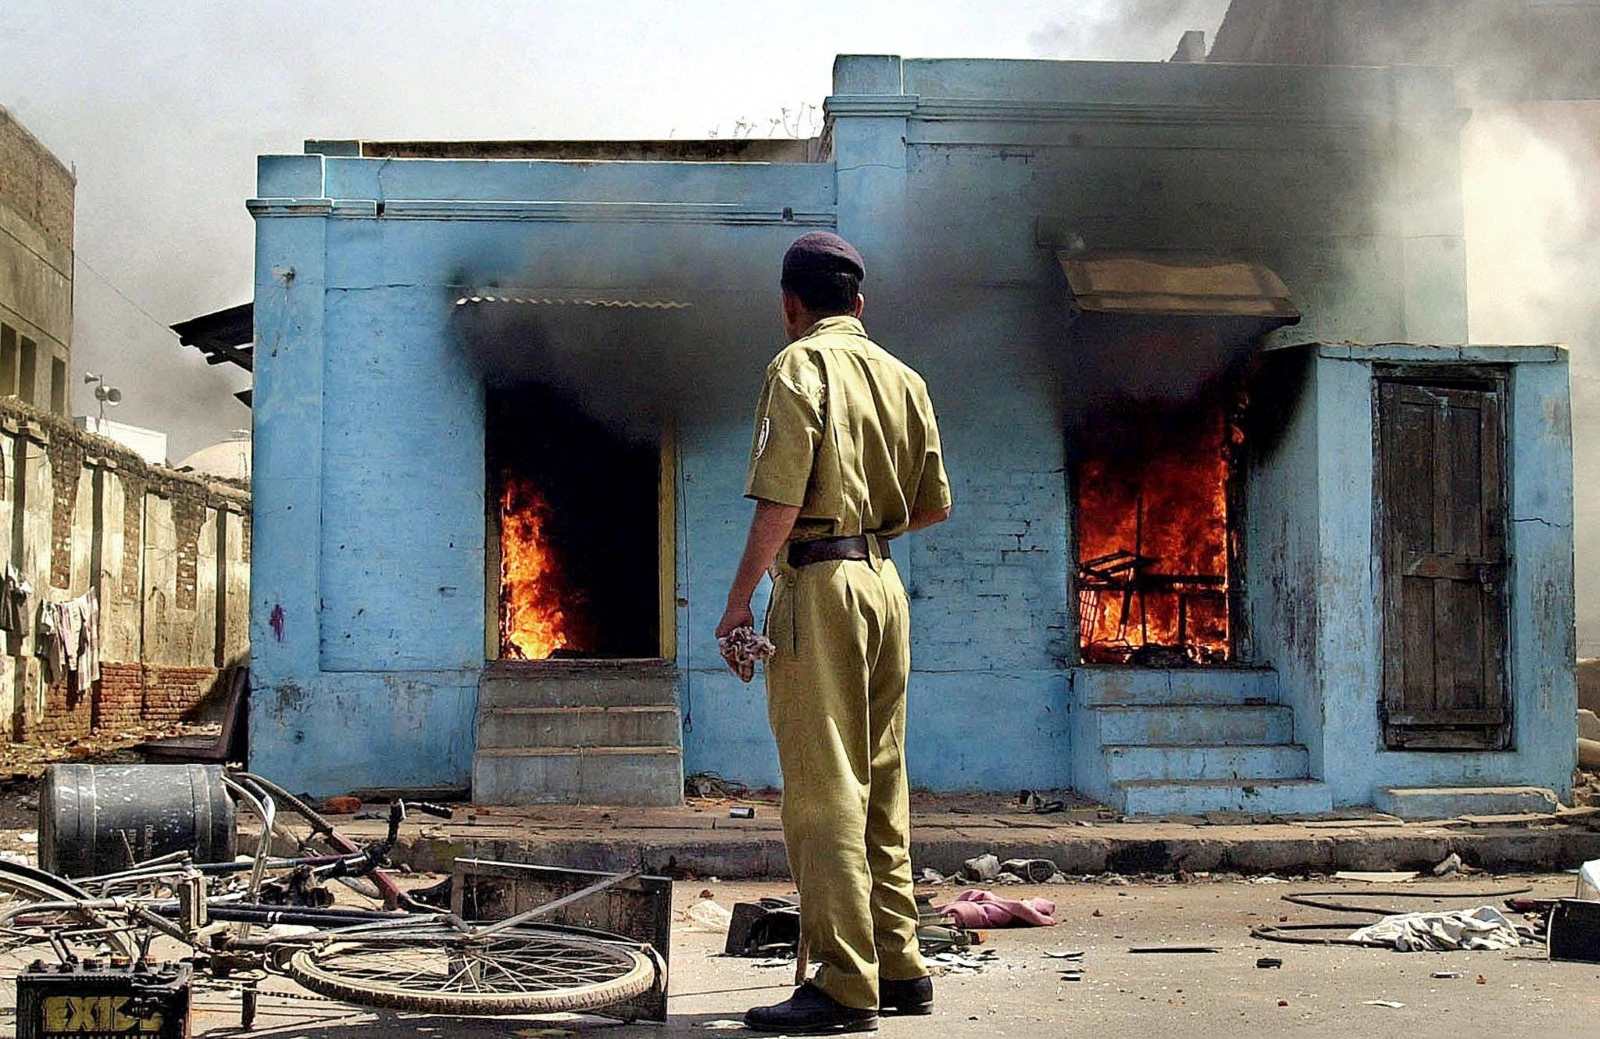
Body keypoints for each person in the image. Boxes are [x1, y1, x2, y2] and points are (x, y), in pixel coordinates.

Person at [716, 231, 953, 1034]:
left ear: (790, 304)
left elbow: (779, 499)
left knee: (822, 789)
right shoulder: (904, 377)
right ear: (860, 303)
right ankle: (900, 965)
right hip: (885, 584)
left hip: (819, 582)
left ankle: (844, 983)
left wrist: (739, 600)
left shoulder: (798, 367)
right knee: (882, 782)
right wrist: (871, 532)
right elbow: (934, 504)